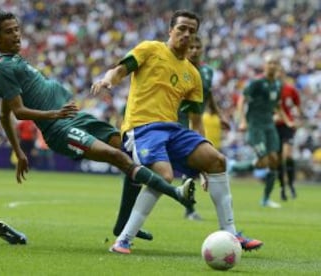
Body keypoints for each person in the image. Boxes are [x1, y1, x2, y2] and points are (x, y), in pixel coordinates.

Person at [0, 11, 197, 230]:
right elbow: (18, 112)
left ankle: (122, 223)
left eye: (17, 29)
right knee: (116, 156)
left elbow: (5, 113)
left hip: (75, 118)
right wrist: (54, 115)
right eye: (9, 32)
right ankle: (175, 193)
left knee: (125, 149)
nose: (16, 35)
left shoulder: (14, 62)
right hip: (59, 128)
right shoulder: (2, 67)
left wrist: (20, 153)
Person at [91, 9, 263, 254]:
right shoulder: (150, 49)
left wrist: (202, 164)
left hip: (172, 129)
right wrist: (108, 80)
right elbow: (119, 70)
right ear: (170, 30)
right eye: (181, 28)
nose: (186, 34)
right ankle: (124, 240)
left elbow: (196, 119)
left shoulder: (193, 74)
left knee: (217, 160)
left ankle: (232, 234)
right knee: (164, 174)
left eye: (191, 31)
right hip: (141, 128)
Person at [178, 36, 231, 221]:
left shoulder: (207, 71)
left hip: (197, 120)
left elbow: (208, 95)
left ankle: (190, 209)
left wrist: (219, 115)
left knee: (199, 161)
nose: (193, 50)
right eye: (190, 47)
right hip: (179, 119)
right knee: (190, 163)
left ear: (202, 49)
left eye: (197, 47)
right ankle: (189, 208)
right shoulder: (179, 67)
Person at [234, 53, 293, 208]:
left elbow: (277, 105)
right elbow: (242, 99)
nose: (272, 65)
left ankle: (266, 199)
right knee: (264, 161)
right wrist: (242, 120)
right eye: (269, 63)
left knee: (274, 160)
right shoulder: (257, 82)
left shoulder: (278, 85)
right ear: (264, 65)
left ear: (278, 66)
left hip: (269, 125)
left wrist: (287, 120)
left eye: (275, 63)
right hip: (255, 126)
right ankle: (233, 167)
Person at [275, 66, 302, 201]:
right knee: (279, 159)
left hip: (288, 126)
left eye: (280, 74)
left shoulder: (290, 90)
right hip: (275, 127)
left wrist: (297, 119)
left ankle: (291, 184)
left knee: (288, 155)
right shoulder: (271, 89)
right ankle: (282, 187)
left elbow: (298, 105)